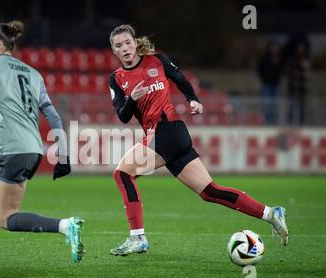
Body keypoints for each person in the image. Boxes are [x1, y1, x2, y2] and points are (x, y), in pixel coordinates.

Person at [107, 25, 289, 256]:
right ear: (113, 51)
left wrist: (193, 99)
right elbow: (123, 116)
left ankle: (137, 237)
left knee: (122, 173)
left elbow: (181, 80)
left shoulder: (157, 61)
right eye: (118, 45)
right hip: (169, 137)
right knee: (209, 192)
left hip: (168, 131)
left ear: (135, 43)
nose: (125, 48)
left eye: (127, 43)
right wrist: (132, 99)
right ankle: (271, 214)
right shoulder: (117, 79)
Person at [0, 20, 84, 278]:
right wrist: (64, 155)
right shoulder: (33, 73)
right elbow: (54, 118)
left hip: (14, 150)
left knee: (6, 218)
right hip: (31, 149)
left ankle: (65, 226)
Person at [257, 41, 284, 125]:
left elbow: (281, 70)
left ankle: (273, 122)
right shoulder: (264, 58)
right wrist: (264, 79)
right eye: (272, 47)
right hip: (267, 85)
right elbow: (260, 70)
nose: (274, 49)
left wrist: (278, 64)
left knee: (275, 105)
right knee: (267, 105)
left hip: (276, 85)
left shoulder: (279, 58)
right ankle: (267, 123)